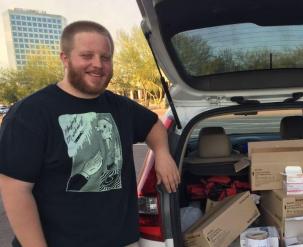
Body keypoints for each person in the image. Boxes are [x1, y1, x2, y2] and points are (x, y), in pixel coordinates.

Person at [0, 20, 180, 247]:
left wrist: (162, 153)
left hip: (123, 241)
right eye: (87, 56)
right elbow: (16, 193)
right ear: (64, 58)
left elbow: (154, 126)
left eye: (105, 57)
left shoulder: (121, 107)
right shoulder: (30, 114)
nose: (98, 64)